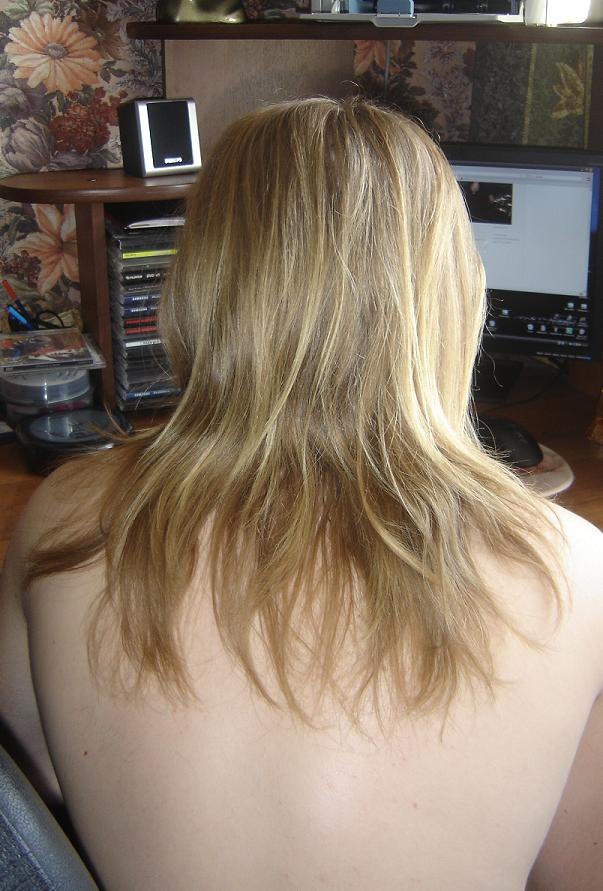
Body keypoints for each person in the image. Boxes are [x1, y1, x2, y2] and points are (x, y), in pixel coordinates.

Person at [0, 97, 601, 891]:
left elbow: (36, 799)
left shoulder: (63, 516)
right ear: (450, 288)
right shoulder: (575, 572)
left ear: (200, 276)